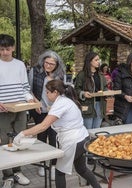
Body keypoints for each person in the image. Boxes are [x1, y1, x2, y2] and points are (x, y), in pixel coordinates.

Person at [13, 80, 101, 188]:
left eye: (47, 92)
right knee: (81, 169)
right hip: (83, 138)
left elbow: (43, 126)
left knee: (59, 172)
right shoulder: (67, 100)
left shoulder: (61, 103)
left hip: (74, 141)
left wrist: (22, 133)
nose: (46, 94)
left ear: (55, 92)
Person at [0, 34, 33, 188]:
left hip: (21, 107)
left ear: (13, 48)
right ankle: (7, 175)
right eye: (1, 49)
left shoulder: (20, 64)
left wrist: (29, 98)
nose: (5, 52)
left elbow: (25, 86)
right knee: (6, 141)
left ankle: (18, 171)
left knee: (20, 138)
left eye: (7, 49)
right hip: (3, 109)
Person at [28, 50, 66, 179]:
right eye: (46, 62)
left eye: (52, 64)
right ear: (43, 61)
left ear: (57, 65)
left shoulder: (60, 75)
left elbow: (63, 92)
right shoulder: (35, 71)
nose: (48, 66)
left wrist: (56, 106)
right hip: (39, 110)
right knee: (41, 138)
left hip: (55, 111)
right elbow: (29, 88)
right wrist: (36, 102)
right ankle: (42, 164)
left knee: (54, 138)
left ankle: (54, 166)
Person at [74, 51, 107, 129]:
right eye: (96, 60)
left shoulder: (101, 75)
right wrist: (83, 93)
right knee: (88, 130)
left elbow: (105, 87)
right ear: (89, 61)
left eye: (99, 60)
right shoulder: (82, 75)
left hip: (100, 105)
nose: (98, 61)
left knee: (97, 129)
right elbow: (76, 89)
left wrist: (106, 91)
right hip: (87, 105)